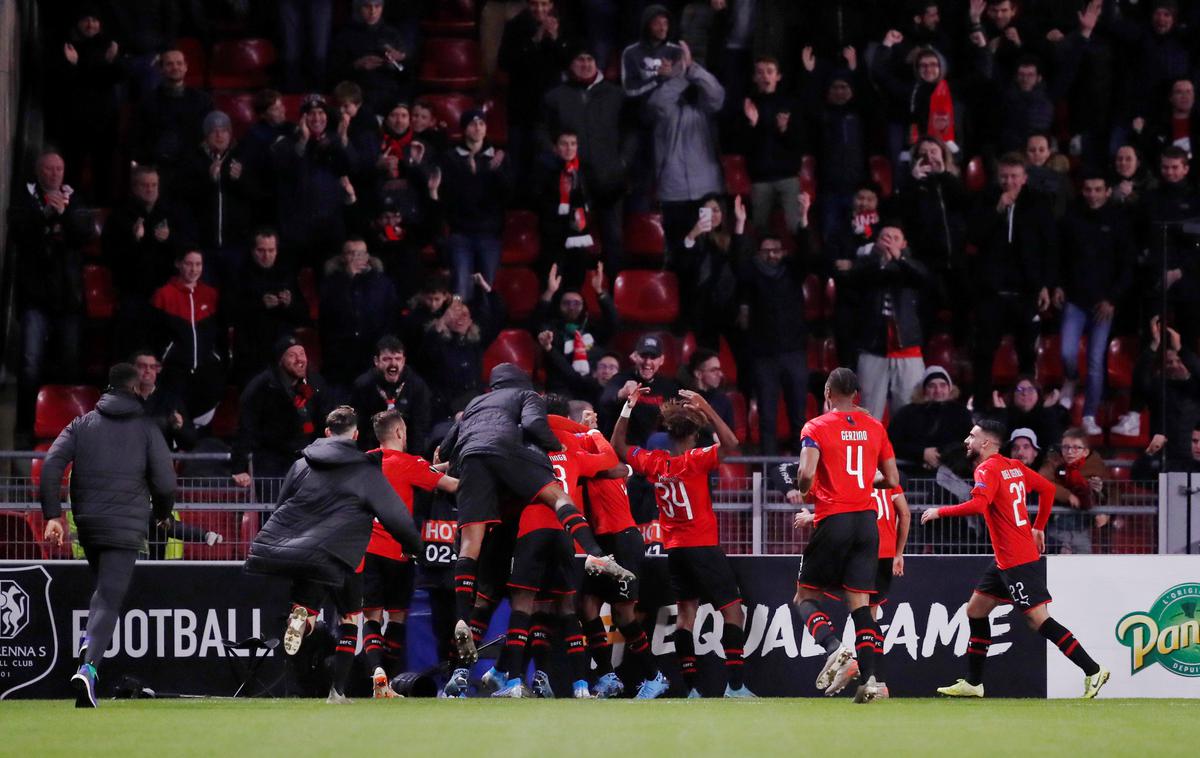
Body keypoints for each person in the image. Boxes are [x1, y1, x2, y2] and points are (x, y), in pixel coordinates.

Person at [437, 363, 632, 664]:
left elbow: (447, 448)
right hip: (507, 454)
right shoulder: (527, 397)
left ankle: (461, 617)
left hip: (472, 459)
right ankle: (595, 553)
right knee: (558, 496)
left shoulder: (475, 403)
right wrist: (553, 450)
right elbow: (534, 426)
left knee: (469, 546)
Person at [245, 406, 422, 704]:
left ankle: (303, 617)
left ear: (327, 433)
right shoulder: (365, 470)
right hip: (345, 554)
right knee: (350, 619)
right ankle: (336, 693)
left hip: (304, 552)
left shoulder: (302, 464)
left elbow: (282, 505)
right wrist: (413, 546)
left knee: (307, 606)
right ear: (355, 435)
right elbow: (396, 517)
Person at [921, 420, 1110, 699]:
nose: (967, 440)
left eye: (971, 436)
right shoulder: (1013, 466)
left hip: (1016, 560)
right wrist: (1038, 527)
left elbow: (978, 505)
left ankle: (1093, 670)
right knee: (975, 611)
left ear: (985, 443)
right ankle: (974, 683)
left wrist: (940, 512)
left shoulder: (986, 469)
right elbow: (1046, 489)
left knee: (1038, 621)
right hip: (1005, 559)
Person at [40, 363, 176, 708]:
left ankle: (90, 646)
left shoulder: (81, 424)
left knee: (104, 593)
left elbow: (51, 465)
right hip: (125, 526)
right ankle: (88, 669)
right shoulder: (147, 428)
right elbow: (164, 482)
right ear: (133, 390)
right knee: (109, 598)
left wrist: (54, 516)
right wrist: (161, 514)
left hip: (87, 524)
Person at [613, 386, 754, 698]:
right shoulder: (696, 460)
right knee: (733, 612)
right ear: (695, 433)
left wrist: (628, 408)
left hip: (674, 549)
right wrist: (708, 407)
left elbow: (619, 446)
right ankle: (735, 687)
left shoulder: (654, 462)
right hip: (702, 546)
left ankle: (692, 690)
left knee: (686, 615)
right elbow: (732, 445)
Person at [484, 396, 618, 699]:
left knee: (523, 606)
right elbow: (611, 462)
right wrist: (592, 433)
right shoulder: (572, 447)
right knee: (568, 610)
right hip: (565, 533)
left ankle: (514, 682)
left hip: (532, 528)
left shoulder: (523, 445)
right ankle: (581, 687)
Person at [786, 367, 900, 704]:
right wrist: (864, 483)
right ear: (857, 396)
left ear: (827, 392)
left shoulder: (816, 427)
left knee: (804, 597)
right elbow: (892, 478)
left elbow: (806, 473)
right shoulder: (876, 427)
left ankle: (834, 649)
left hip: (834, 519)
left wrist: (806, 489)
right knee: (860, 607)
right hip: (868, 524)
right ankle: (872, 682)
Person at [564, 405, 667, 699]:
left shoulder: (597, 454)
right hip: (601, 543)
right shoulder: (585, 455)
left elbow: (616, 466)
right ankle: (608, 676)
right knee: (586, 607)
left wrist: (589, 429)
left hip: (623, 540)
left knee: (623, 614)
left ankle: (654, 676)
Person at [364, 410, 459, 694]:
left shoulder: (364, 461)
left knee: (371, 617)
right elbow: (453, 486)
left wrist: (439, 465)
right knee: (397, 617)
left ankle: (376, 671)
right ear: (399, 433)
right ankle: (389, 680)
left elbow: (428, 471)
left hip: (366, 550)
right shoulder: (410, 463)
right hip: (398, 553)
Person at [966, 153, 1058, 407]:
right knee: (983, 352)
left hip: (1025, 291)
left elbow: (1049, 247)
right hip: (991, 292)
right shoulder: (985, 199)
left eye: (1014, 176)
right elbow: (973, 237)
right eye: (1004, 176)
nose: (1009, 182)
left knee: (1027, 352)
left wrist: (1045, 285)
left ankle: (1027, 407)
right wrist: (997, 209)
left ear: (1024, 178)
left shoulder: (1039, 203)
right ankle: (983, 406)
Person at [539, 45, 637, 273]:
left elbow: (631, 132)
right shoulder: (555, 97)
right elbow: (541, 131)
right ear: (571, 64)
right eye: (580, 59)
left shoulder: (616, 94)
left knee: (613, 239)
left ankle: (614, 294)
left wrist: (622, 162)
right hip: (571, 183)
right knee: (568, 242)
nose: (585, 64)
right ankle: (568, 298)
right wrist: (556, 155)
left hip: (609, 181)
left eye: (590, 58)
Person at [11, 149, 88, 431]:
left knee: (69, 363)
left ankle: (65, 427)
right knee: (30, 364)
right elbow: (18, 230)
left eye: (59, 169)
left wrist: (64, 215)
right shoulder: (25, 198)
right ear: (38, 171)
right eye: (49, 169)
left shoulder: (74, 198)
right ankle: (25, 426)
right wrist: (45, 215)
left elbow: (84, 233)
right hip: (34, 296)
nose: (55, 174)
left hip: (68, 298)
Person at [1054, 172, 1134, 435]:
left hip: (1103, 305)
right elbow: (1060, 258)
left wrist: (1112, 300)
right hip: (1075, 301)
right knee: (1067, 352)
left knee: (1096, 361)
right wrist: (1058, 286)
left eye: (1098, 189)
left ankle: (1089, 414)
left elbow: (1127, 267)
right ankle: (1071, 379)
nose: (1092, 194)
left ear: (1107, 191)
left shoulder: (1119, 221)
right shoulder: (1071, 219)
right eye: (1088, 188)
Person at [844, 224, 930, 421]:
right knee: (868, 410)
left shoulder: (912, 266)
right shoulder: (866, 265)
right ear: (877, 242)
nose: (890, 240)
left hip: (907, 348)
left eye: (895, 237)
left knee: (909, 410)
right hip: (873, 347)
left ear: (904, 243)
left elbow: (924, 278)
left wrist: (899, 258)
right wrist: (881, 261)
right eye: (885, 237)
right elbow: (853, 280)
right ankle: (869, 451)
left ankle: (905, 451)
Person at [646, 41, 725, 256]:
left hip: (707, 189)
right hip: (674, 193)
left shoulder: (704, 107)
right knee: (679, 253)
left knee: (710, 252)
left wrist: (692, 69)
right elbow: (659, 104)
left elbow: (717, 95)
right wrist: (680, 73)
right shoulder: (661, 102)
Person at [736, 233, 810, 454]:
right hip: (764, 357)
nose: (772, 255)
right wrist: (740, 231)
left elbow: (808, 257)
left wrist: (803, 223)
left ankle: (801, 472)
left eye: (776, 250)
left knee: (799, 416)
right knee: (767, 418)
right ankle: (770, 473)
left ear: (783, 252)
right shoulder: (752, 276)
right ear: (759, 254)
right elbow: (738, 265)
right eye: (766, 251)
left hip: (794, 354)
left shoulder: (793, 273)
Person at [233, 336, 334, 487]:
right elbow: (246, 428)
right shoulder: (261, 387)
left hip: (308, 459)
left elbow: (326, 422)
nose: (299, 359)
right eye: (292, 355)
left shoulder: (316, 382)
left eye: (302, 353)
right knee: (274, 508)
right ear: (280, 360)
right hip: (271, 463)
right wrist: (239, 467)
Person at [438, 110, 511, 298]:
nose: (477, 128)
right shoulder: (450, 158)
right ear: (464, 129)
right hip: (461, 233)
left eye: (481, 123)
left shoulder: (499, 158)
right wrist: (470, 176)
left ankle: (483, 328)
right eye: (472, 123)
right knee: (461, 290)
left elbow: (507, 196)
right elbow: (450, 197)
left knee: (486, 290)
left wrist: (495, 172)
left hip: (489, 233)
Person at [151, 249, 225, 428]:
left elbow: (219, 334)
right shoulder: (163, 295)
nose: (194, 269)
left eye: (198, 264)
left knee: (203, 428)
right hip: (174, 374)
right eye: (189, 264)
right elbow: (154, 335)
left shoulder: (211, 295)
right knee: (178, 425)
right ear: (179, 264)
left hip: (205, 373)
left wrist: (216, 359)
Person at [319, 236, 401, 393]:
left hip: (373, 354)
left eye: (361, 253)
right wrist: (350, 279)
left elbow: (391, 317)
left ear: (368, 257)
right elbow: (328, 319)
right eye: (351, 253)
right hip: (340, 357)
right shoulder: (332, 283)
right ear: (343, 257)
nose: (357, 258)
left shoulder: (382, 282)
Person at [229, 229, 309, 385]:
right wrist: (260, 304)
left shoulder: (286, 275)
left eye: (271, 250)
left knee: (304, 393)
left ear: (277, 251)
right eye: (261, 250)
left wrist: (290, 304)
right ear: (253, 251)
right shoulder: (239, 276)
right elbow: (230, 314)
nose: (266, 256)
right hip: (252, 355)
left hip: (283, 353)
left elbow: (304, 316)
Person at [738, 56, 804, 235]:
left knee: (795, 226)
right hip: (761, 178)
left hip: (788, 176)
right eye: (759, 72)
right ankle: (762, 261)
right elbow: (743, 145)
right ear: (754, 78)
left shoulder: (790, 104)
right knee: (760, 228)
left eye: (769, 71)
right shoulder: (748, 105)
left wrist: (784, 130)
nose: (764, 76)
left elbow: (799, 143)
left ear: (778, 76)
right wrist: (752, 124)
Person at [135, 50, 214, 179]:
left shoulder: (202, 100)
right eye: (169, 64)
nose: (175, 67)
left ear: (186, 67)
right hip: (160, 167)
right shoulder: (148, 102)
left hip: (194, 167)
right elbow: (140, 139)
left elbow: (209, 136)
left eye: (179, 63)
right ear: (161, 69)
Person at [888, 365, 974, 480]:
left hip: (953, 473)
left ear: (950, 388)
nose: (938, 390)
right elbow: (891, 444)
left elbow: (969, 443)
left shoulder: (962, 413)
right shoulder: (906, 413)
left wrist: (942, 456)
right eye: (932, 386)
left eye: (942, 385)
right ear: (924, 390)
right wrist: (922, 453)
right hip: (912, 473)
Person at [350, 336, 432, 453]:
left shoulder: (417, 386)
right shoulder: (363, 386)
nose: (393, 364)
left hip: (407, 453)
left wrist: (413, 460)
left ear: (403, 361)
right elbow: (359, 427)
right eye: (387, 359)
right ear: (376, 361)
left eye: (397, 359)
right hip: (371, 455)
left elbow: (420, 428)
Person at [329, 0, 411, 117]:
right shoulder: (346, 35)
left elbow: (406, 74)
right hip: (358, 95)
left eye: (377, 6)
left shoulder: (392, 34)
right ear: (359, 7)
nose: (373, 11)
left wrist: (399, 60)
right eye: (367, 6)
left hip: (387, 94)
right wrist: (357, 65)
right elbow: (333, 72)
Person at [598, 334, 680, 444]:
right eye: (643, 356)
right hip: (619, 449)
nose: (647, 362)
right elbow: (605, 400)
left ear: (661, 360)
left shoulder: (669, 386)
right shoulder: (621, 379)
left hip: (652, 451)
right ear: (635, 356)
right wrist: (622, 393)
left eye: (653, 357)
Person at [1039, 428, 1106, 555]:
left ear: (1085, 452)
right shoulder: (1054, 460)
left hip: (1082, 530)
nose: (1070, 452)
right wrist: (1067, 495)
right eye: (1066, 447)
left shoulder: (1096, 465)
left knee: (1083, 569)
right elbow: (1042, 481)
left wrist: (1100, 493)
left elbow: (1112, 491)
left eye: (1076, 448)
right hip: (1056, 529)